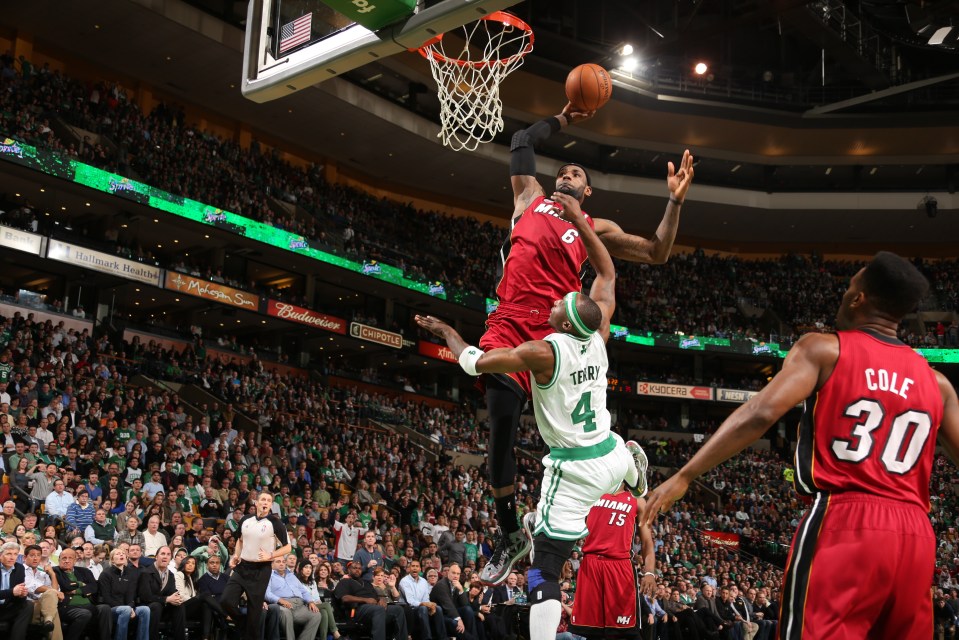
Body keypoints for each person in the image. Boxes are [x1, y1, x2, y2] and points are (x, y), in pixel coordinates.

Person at [643, 251, 959, 640]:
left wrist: (686, 474)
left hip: (847, 519)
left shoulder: (824, 349)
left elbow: (759, 414)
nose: (845, 295)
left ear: (859, 299)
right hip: (916, 533)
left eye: (849, 288)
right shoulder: (938, 384)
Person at [457, 101, 694, 585]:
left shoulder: (594, 227)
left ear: (587, 191)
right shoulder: (528, 198)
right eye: (562, 169)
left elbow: (656, 251)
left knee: (569, 428)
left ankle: (620, 459)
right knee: (500, 423)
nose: (566, 174)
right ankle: (508, 534)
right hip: (506, 322)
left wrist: (674, 202)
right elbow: (523, 140)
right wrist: (565, 118)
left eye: (575, 173)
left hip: (554, 330)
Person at [416, 183, 647, 640]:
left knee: (546, 565)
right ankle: (634, 472)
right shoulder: (598, 339)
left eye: (561, 303)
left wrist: (446, 331)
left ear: (562, 322)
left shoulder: (544, 351)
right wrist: (581, 220)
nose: (558, 298)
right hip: (609, 452)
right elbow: (607, 274)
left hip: (575, 469)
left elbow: (474, 361)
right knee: (613, 465)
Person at [569, 486, 656, 639]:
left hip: (619, 566)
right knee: (591, 633)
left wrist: (649, 572)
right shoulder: (590, 491)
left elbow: (647, 542)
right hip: (591, 564)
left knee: (626, 632)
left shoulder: (637, 500)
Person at [222, 491, 292, 640]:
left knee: (255, 612)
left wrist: (271, 555)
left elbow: (288, 547)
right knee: (226, 600)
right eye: (263, 500)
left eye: (269, 500)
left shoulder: (275, 522)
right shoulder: (246, 519)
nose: (266, 502)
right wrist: (236, 556)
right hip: (242, 567)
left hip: (261, 570)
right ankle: (242, 623)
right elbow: (240, 540)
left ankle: (249, 632)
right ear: (256, 502)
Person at [334, 560, 408, 640]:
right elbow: (345, 598)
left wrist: (381, 600)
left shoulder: (366, 583)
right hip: (357, 609)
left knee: (398, 609)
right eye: (355, 568)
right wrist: (365, 600)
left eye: (359, 568)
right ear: (349, 570)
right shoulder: (345, 582)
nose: (357, 570)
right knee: (378, 609)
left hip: (374, 608)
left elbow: (376, 596)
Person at [53, 547, 113, 640]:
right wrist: (82, 584)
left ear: (75, 560)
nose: (67, 561)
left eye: (70, 558)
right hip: (67, 607)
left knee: (105, 608)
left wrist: (77, 589)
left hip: (89, 605)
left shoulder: (84, 571)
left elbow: (94, 587)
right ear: (59, 560)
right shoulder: (55, 571)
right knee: (85, 613)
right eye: (64, 558)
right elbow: (66, 586)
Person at [264, 555, 323, 640]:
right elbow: (267, 593)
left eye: (283, 562)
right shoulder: (269, 576)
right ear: (272, 564)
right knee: (286, 613)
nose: (281, 564)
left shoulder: (291, 575)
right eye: (278, 562)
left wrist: (311, 602)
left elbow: (303, 591)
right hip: (282, 605)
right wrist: (280, 600)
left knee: (316, 615)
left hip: (299, 605)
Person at [98, 547, 150, 640]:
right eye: (117, 554)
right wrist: (128, 608)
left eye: (123, 553)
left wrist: (131, 607)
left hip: (127, 608)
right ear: (112, 560)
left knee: (145, 610)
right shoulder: (106, 574)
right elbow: (106, 598)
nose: (121, 554)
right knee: (125, 609)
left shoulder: (131, 573)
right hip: (111, 608)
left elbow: (131, 595)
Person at [22, 544, 63, 640]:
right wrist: (54, 591)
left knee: (51, 600)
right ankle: (48, 619)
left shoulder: (42, 574)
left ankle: (48, 620)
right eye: (32, 555)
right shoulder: (21, 570)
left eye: (38, 555)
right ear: (25, 557)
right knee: (53, 611)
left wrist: (52, 574)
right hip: (28, 606)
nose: (35, 558)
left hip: (44, 605)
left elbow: (55, 591)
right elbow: (33, 587)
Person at [430, 562, 480, 640]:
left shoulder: (457, 584)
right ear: (448, 573)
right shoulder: (441, 585)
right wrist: (459, 619)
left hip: (451, 613)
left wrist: (461, 590)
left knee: (468, 610)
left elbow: (465, 604)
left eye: (458, 574)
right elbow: (448, 606)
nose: (456, 576)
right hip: (440, 615)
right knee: (455, 623)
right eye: (453, 573)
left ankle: (474, 637)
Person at [399, 558, 445, 640]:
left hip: (421, 607)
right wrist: (426, 604)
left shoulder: (423, 581)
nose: (415, 568)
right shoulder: (404, 581)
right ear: (409, 568)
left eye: (417, 566)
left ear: (420, 569)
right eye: (413, 566)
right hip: (410, 610)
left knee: (438, 608)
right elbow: (410, 601)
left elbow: (426, 599)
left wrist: (431, 605)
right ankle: (427, 638)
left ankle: (442, 638)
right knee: (423, 608)